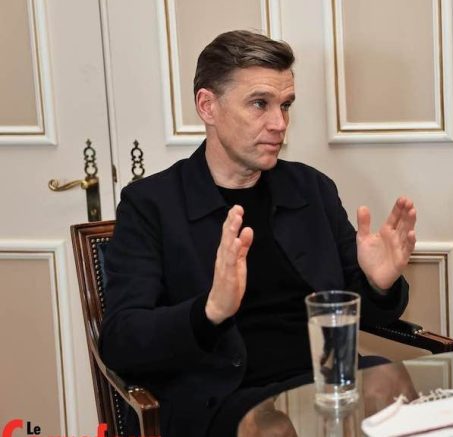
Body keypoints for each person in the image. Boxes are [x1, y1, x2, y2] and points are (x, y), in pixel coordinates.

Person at [99, 30, 417, 437]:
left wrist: (378, 284)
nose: (279, 123)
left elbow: (362, 313)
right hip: (223, 397)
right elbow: (121, 342)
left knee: (392, 383)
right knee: (271, 428)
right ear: (207, 106)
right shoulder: (151, 204)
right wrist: (209, 311)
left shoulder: (311, 188)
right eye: (259, 104)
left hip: (321, 382)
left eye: (285, 105)